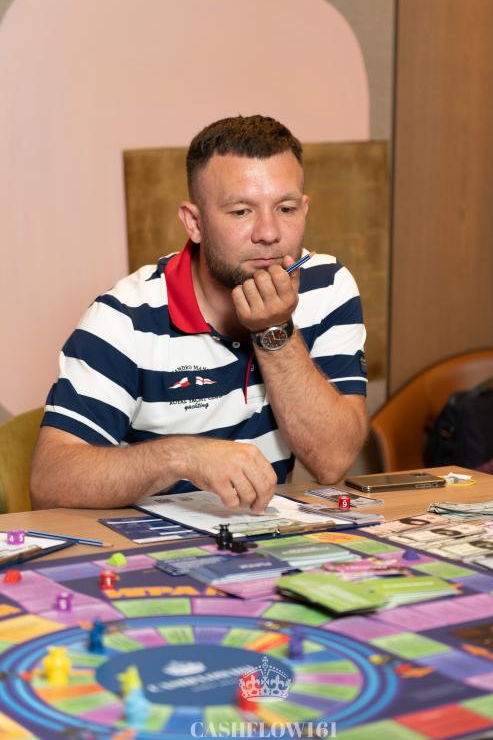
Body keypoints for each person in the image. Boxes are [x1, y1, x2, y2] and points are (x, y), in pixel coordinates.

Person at [30, 115, 368, 511]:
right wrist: (182, 455)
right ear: (195, 222)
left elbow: (332, 462)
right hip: (146, 543)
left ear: (304, 210)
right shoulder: (124, 317)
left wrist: (273, 332)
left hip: (263, 534)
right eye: (241, 211)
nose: (269, 233)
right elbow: (48, 482)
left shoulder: (328, 286)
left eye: (286, 208)